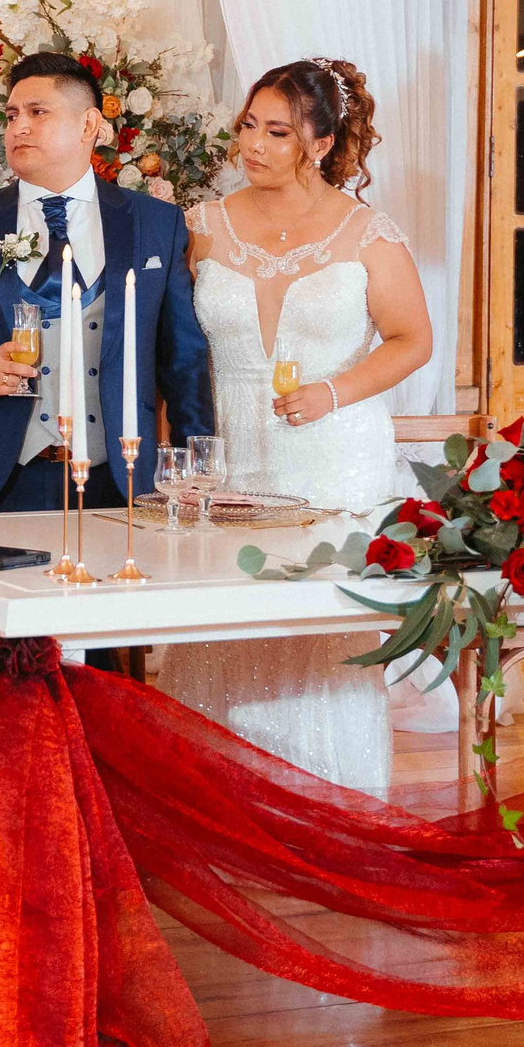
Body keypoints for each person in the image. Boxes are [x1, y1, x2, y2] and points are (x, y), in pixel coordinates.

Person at [155, 57, 433, 793]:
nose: (253, 143)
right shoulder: (201, 226)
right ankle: (217, 802)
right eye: (249, 124)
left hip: (332, 457)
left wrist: (334, 392)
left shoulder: (368, 233)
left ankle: (328, 799)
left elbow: (413, 340)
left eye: (277, 131)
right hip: (233, 454)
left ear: (319, 141)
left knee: (320, 635)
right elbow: (174, 348)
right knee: (223, 621)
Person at [0, 50, 213, 671]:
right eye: (11, 114)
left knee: (110, 669)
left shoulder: (155, 224)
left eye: (37, 112)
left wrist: (197, 469)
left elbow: (184, 359)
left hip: (118, 484)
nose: (18, 128)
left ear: (91, 126)